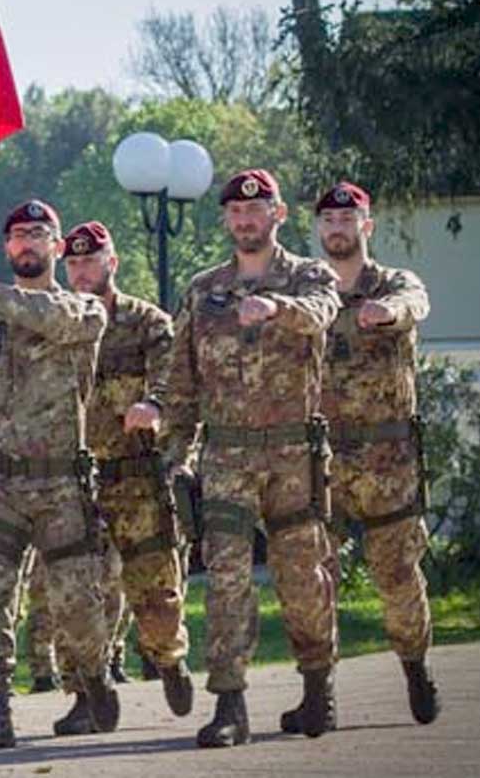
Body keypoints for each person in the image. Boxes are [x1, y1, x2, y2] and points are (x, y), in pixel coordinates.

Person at [162, 168, 342, 748]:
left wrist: (273, 308)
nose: (245, 219)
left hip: (294, 456)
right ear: (226, 220)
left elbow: (321, 312)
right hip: (227, 459)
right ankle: (230, 705)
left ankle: (318, 690)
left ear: (278, 215)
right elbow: (182, 381)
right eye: (236, 213)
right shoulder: (203, 289)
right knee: (227, 581)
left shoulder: (309, 276)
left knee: (303, 579)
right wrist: (176, 454)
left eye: (256, 209)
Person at [0, 199, 115, 750]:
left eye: (38, 234)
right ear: (6, 247)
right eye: (18, 234)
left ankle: (92, 677)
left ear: (58, 247)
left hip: (62, 486)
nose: (27, 242)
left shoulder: (84, 311)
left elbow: (54, 320)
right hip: (0, 488)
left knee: (75, 603)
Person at [313, 181, 438, 726]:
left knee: (396, 573)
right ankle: (320, 691)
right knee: (313, 578)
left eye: (349, 219)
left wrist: (387, 311)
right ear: (319, 229)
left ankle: (416, 668)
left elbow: (416, 303)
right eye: (329, 221)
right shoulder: (308, 288)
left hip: (387, 461)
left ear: (367, 225)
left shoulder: (393, 282)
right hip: (321, 461)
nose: (338, 228)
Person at [62, 220, 194, 726]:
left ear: (110, 264)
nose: (80, 272)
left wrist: (154, 405)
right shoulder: (57, 324)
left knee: (154, 590)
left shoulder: (146, 322)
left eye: (89, 261)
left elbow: (174, 378)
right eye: (72, 263)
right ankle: (86, 692)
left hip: (136, 477)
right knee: (76, 594)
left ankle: (168, 659)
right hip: (75, 480)